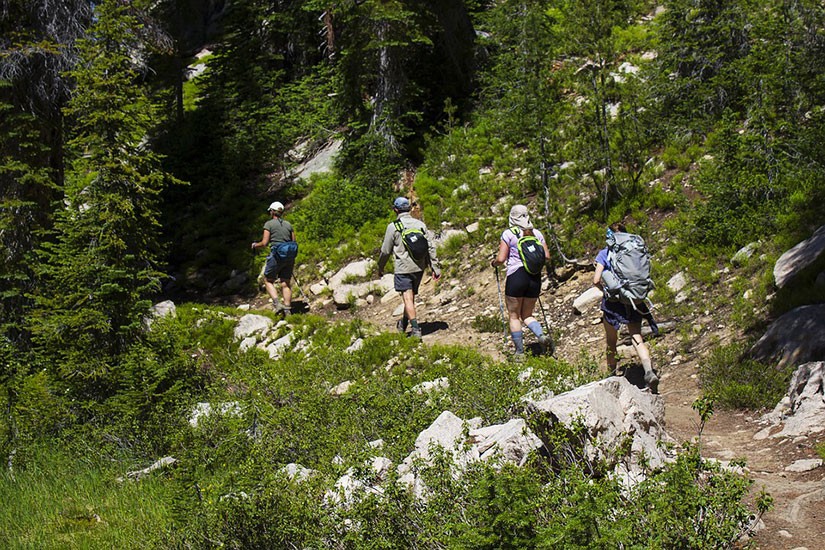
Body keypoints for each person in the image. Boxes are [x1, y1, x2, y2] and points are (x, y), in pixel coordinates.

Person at [593, 223, 659, 393]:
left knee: (611, 341)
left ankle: (612, 376)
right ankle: (649, 372)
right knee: (637, 337)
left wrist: (605, 291)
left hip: (613, 303)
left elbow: (596, 280)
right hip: (634, 299)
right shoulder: (635, 249)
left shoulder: (605, 253)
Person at [490, 204, 553, 358]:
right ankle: (541, 336)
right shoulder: (536, 233)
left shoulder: (509, 234)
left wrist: (494, 263)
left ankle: (519, 353)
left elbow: (501, 258)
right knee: (528, 314)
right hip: (534, 277)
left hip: (516, 276)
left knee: (514, 315)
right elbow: (547, 256)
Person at [377, 197, 441, 339]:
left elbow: (385, 251)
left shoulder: (393, 227)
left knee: (408, 299)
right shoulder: (420, 224)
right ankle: (403, 323)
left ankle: (416, 330)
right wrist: (435, 267)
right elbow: (431, 247)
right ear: (410, 208)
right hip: (419, 268)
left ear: (395, 210)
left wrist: (380, 268)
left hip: (403, 268)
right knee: (410, 298)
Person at [251, 201, 296, 315]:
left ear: (272, 212)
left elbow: (265, 243)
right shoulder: (288, 224)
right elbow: (293, 241)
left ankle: (277, 304)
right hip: (289, 256)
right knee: (285, 283)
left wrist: (255, 245)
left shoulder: (269, 224)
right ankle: (288, 310)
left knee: (268, 280)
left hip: (276, 255)